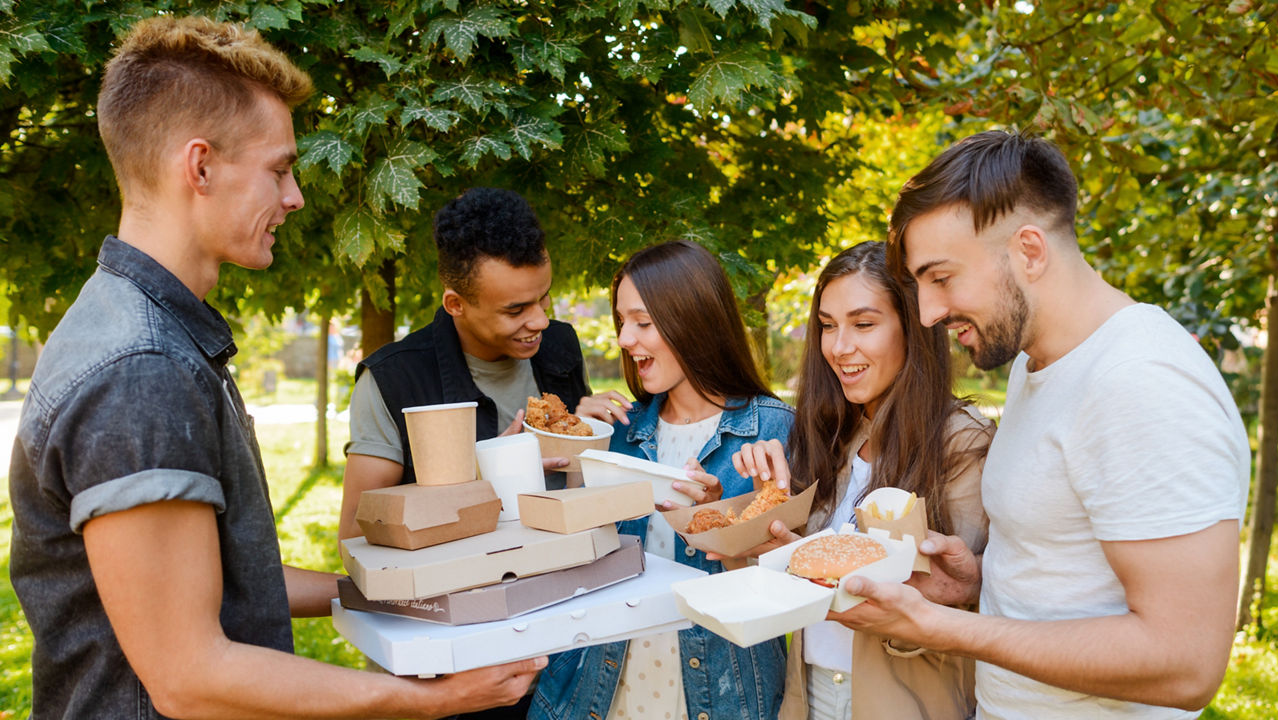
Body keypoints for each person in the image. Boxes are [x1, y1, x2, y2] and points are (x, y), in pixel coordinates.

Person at [8, 16, 542, 719]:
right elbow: (191, 676)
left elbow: (229, 586)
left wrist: (405, 592)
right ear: (199, 167)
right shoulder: (142, 369)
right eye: (279, 169)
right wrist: (432, 701)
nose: (293, 198)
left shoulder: (150, 332)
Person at [829, 130, 1251, 719]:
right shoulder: (1038, 364)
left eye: (942, 278)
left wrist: (944, 627)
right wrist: (974, 586)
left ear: (1029, 251)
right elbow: (1070, 581)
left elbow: (1185, 664)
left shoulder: (1141, 382)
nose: (927, 313)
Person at [728, 241, 994, 720]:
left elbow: (966, 599)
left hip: (905, 699)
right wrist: (758, 518)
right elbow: (790, 574)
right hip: (809, 693)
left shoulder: (961, 440)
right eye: (828, 326)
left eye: (863, 324)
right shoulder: (832, 432)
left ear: (913, 328)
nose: (839, 346)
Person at [529, 240, 795, 720]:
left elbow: (791, 586)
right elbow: (569, 562)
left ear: (692, 320)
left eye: (643, 323)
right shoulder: (622, 432)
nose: (625, 340)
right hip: (602, 689)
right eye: (622, 322)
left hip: (724, 695)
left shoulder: (775, 431)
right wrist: (576, 447)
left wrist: (721, 527)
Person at [339, 187, 592, 540]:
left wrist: (597, 433)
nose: (540, 322)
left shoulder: (561, 346)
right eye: (515, 310)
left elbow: (588, 488)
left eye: (544, 297)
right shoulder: (391, 381)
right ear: (456, 304)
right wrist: (482, 476)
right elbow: (356, 532)